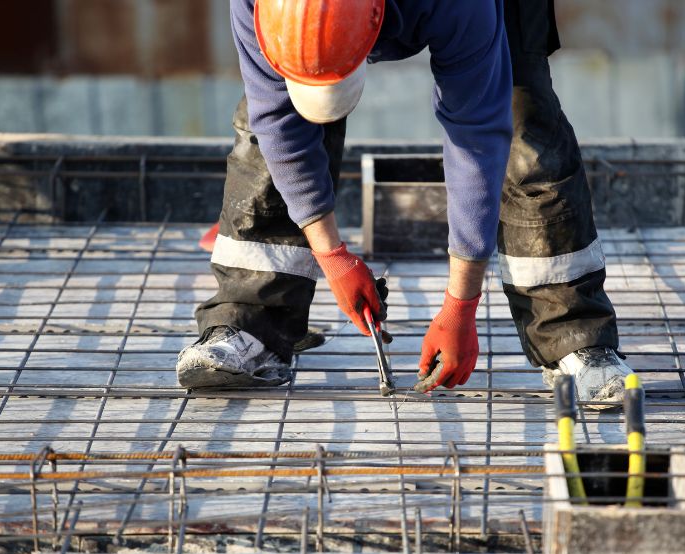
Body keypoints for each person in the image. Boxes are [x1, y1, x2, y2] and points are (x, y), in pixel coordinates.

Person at [176, 0, 632, 408]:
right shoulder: (256, 6)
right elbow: (278, 120)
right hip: (310, 23)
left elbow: (477, 134)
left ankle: (574, 335)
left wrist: (460, 305)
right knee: (268, 130)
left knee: (521, 118)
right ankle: (249, 323)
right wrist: (332, 255)